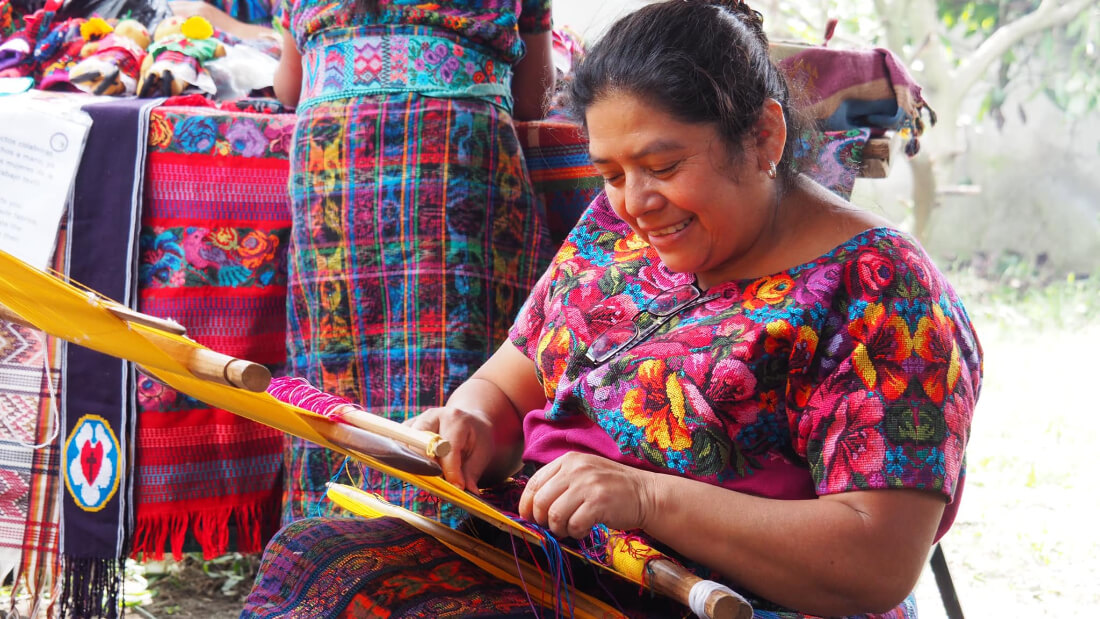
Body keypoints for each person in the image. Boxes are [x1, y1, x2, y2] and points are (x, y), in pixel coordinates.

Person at [244, 1, 982, 617]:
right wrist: (470, 423)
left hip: (714, 600)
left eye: (662, 167)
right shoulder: (615, 225)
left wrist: (645, 498)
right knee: (317, 561)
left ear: (763, 136)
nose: (634, 202)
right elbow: (510, 381)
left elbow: (876, 559)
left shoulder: (883, 291)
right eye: (612, 172)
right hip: (559, 565)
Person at [269, 0, 555, 525]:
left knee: (335, 358)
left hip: (335, 152)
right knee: (466, 357)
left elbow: (289, 87)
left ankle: (329, 530)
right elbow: (536, 93)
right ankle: (459, 533)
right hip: (459, 145)